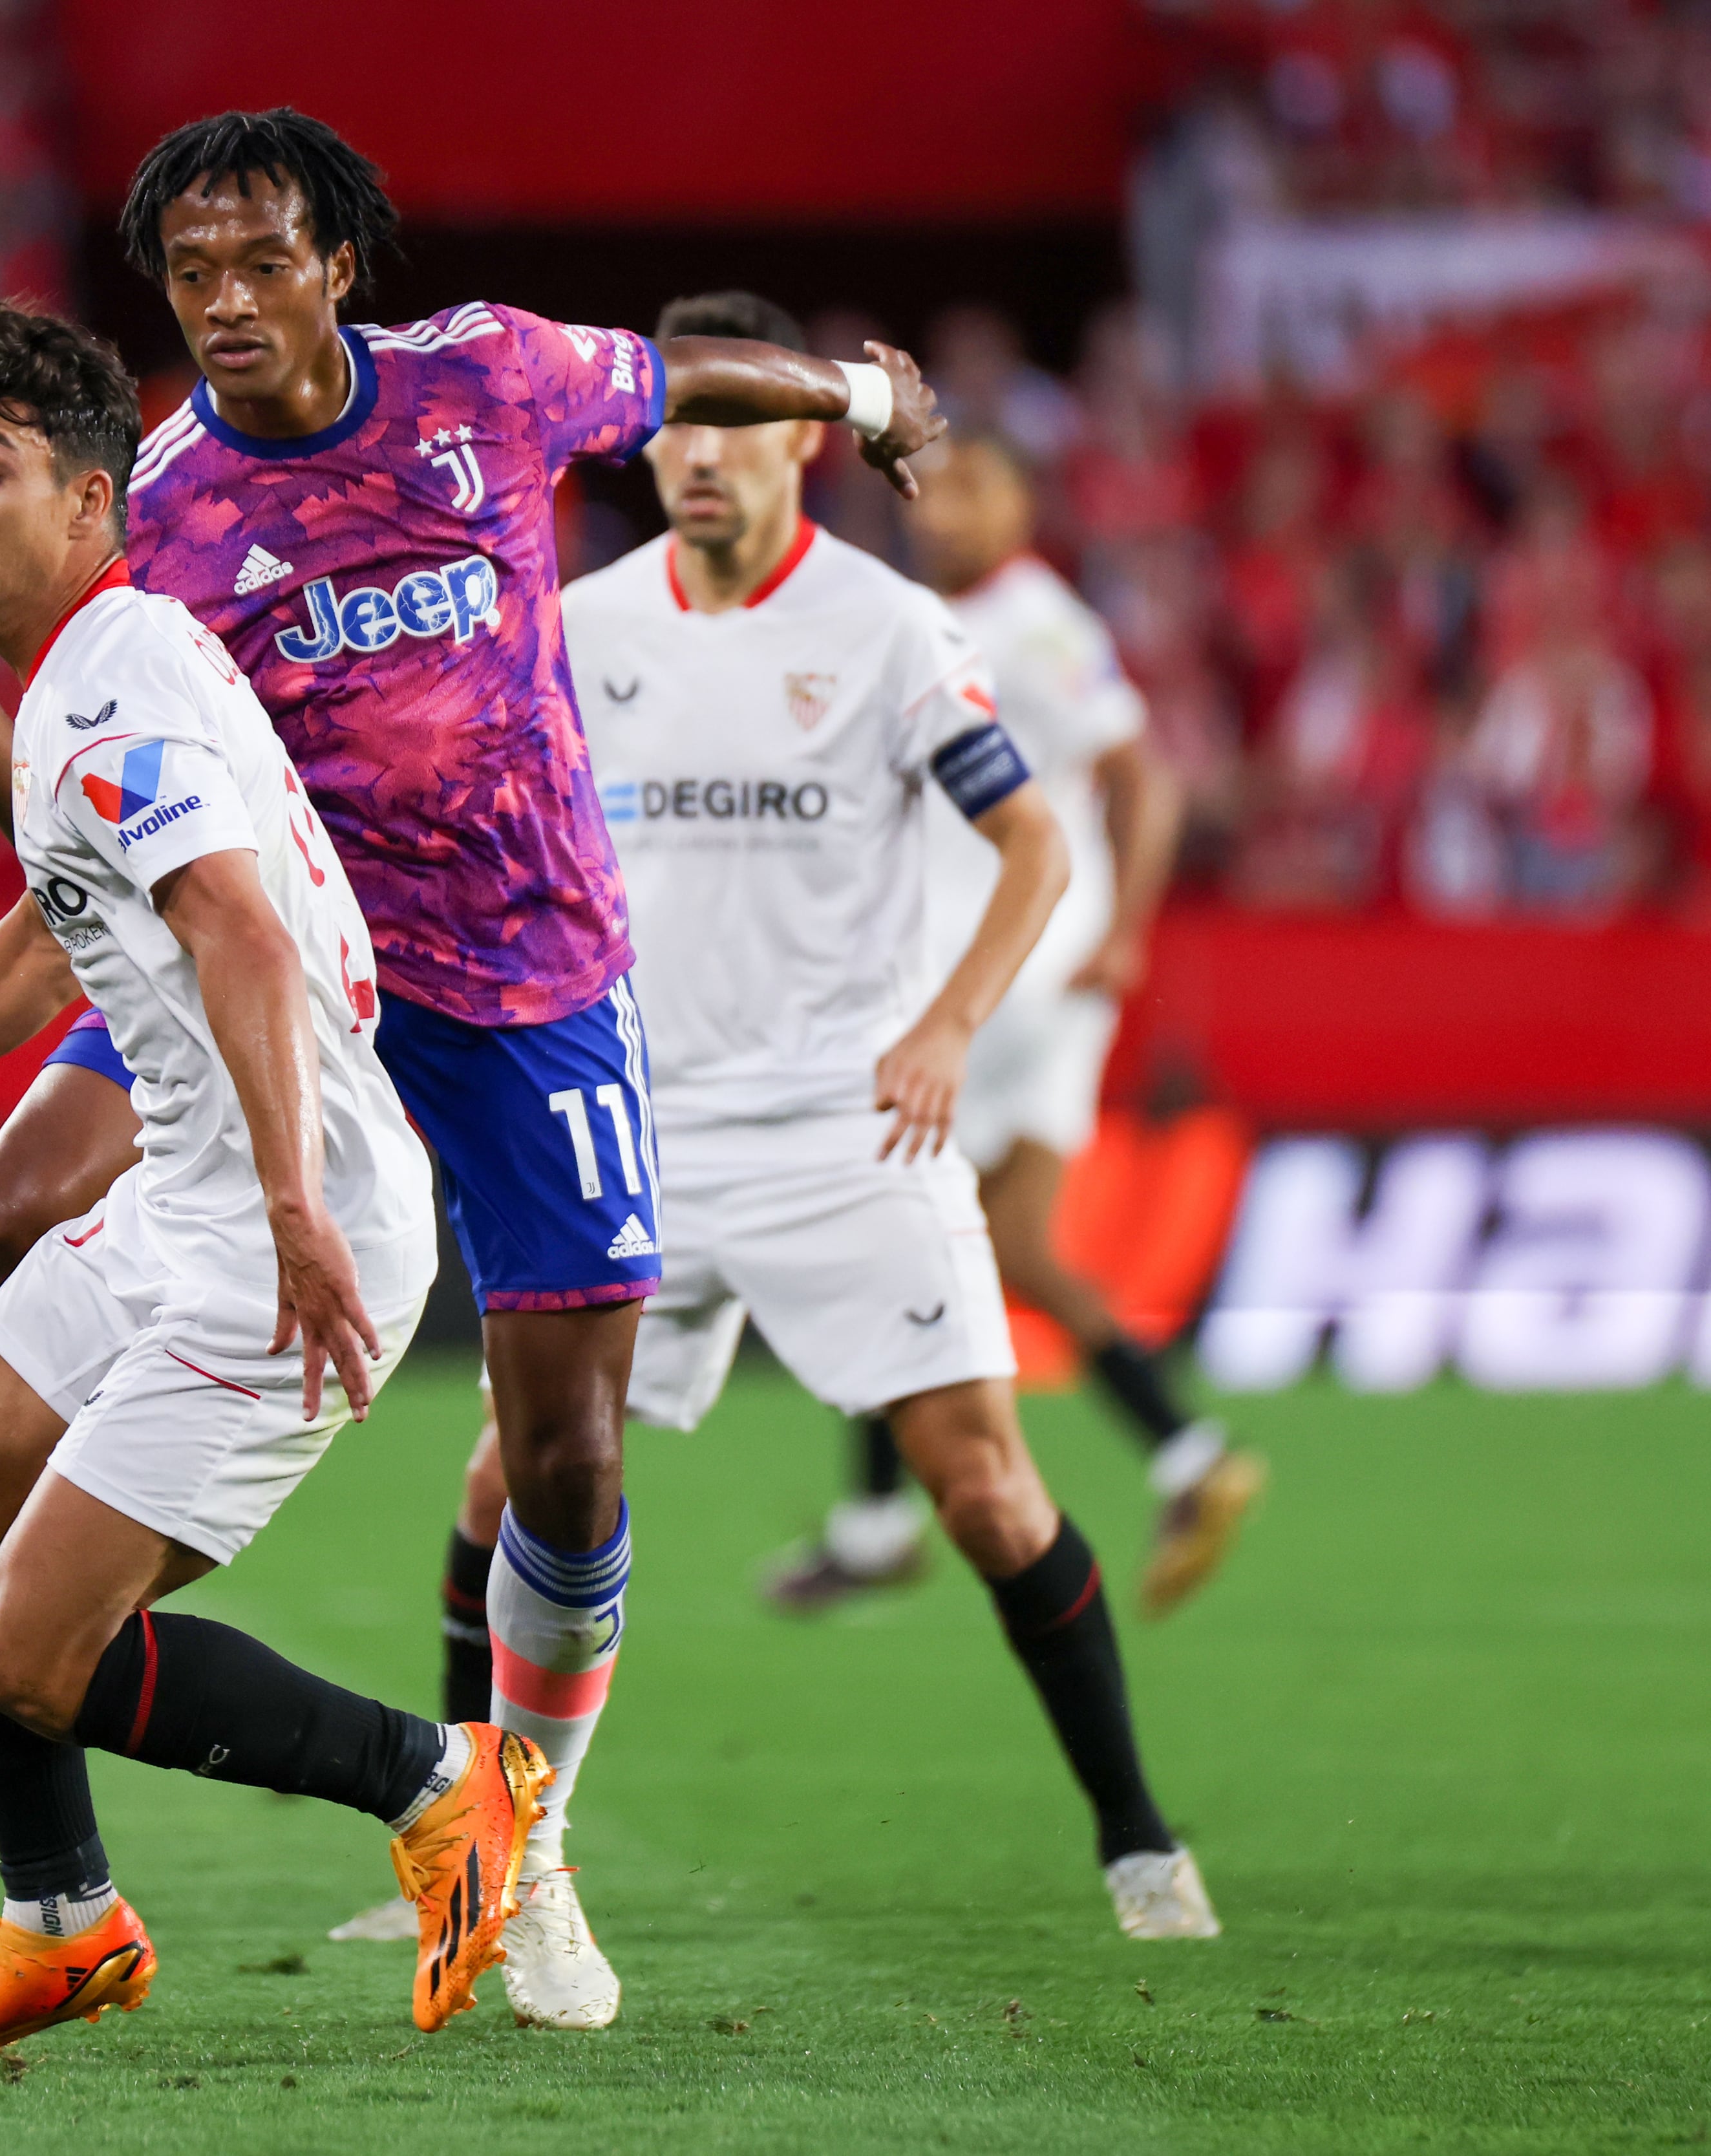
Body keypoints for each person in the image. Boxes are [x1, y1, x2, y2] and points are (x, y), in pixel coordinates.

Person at [0, 108, 945, 2032]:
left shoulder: (485, 377)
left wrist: (857, 402)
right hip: (279, 955)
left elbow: (677, 372)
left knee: (563, 1447)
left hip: (516, 968)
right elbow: (74, 836)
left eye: (259, 262)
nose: (224, 302)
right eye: (190, 274)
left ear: (335, 266)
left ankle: (520, 1833)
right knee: (11, 1198)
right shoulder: (155, 508)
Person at [0, 296, 546, 2056]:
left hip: (290, 1229)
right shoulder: (80, 689)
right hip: (187, 1203)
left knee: (32, 1656)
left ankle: (444, 1784)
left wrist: (287, 1215)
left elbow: (247, 947)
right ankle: (65, 1930)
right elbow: (54, 941)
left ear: (95, 507)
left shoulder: (124, 684)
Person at [524, 290, 1215, 1940]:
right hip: (640, 1133)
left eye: (733, 421)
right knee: (517, 1485)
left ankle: (1137, 1841)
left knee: (983, 1490)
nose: (695, 451)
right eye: (674, 422)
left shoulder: (895, 633)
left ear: (801, 436)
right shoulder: (582, 627)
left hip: (851, 1132)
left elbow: (1038, 847)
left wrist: (949, 1026)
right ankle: (474, 1849)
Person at [765, 429, 1267, 1619]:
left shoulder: (1033, 623)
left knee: (880, 1217)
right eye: (930, 498)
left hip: (995, 980)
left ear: (1018, 509)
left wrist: (1127, 927)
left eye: (968, 498)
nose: (941, 518)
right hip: (1011, 976)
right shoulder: (952, 617)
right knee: (1011, 1243)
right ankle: (1189, 1457)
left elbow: (1150, 775)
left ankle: (883, 1522)